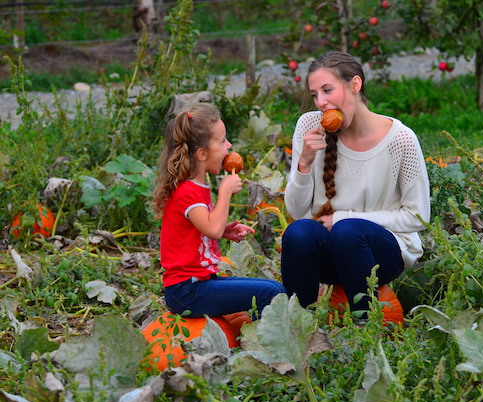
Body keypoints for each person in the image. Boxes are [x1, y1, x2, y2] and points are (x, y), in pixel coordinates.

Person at [281, 51, 430, 314]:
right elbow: (296, 212)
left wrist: (342, 217)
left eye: (328, 90)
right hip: (329, 252)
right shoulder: (309, 126)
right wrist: (304, 164)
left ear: (355, 85)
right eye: (315, 94)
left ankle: (365, 327)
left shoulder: (401, 140)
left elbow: (418, 217)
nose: (321, 102)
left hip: (381, 254)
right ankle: (299, 323)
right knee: (297, 233)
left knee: (347, 231)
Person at [152, 102, 285, 319]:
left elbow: (204, 227)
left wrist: (224, 231)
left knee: (274, 288)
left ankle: (253, 334)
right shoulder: (187, 191)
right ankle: (262, 345)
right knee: (270, 294)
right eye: (223, 141)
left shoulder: (197, 185)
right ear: (202, 154)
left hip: (199, 283)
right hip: (186, 292)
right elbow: (211, 229)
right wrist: (225, 193)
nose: (229, 145)